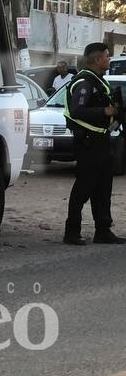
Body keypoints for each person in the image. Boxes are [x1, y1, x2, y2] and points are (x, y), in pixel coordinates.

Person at [63, 43, 125, 245]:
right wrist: (105, 112)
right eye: (107, 56)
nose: (109, 58)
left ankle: (103, 230)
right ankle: (72, 232)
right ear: (98, 59)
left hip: (102, 140)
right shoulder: (84, 82)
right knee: (84, 187)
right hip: (88, 142)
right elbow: (77, 111)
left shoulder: (99, 81)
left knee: (103, 188)